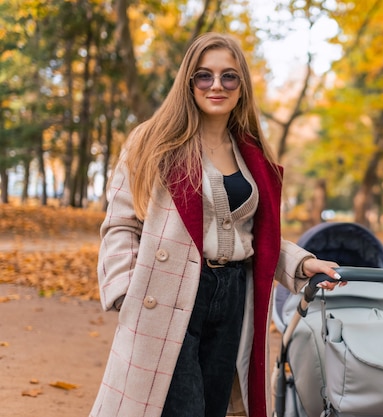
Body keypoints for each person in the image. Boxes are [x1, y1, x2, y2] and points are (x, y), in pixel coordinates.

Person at [90, 32, 344, 417]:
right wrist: (127, 290)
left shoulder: (252, 153)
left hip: (233, 299)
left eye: (229, 76)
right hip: (171, 291)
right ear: (189, 82)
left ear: (242, 86)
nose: (216, 86)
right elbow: (121, 223)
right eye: (204, 76)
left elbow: (253, 237)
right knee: (180, 406)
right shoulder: (152, 142)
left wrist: (300, 263)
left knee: (215, 408)